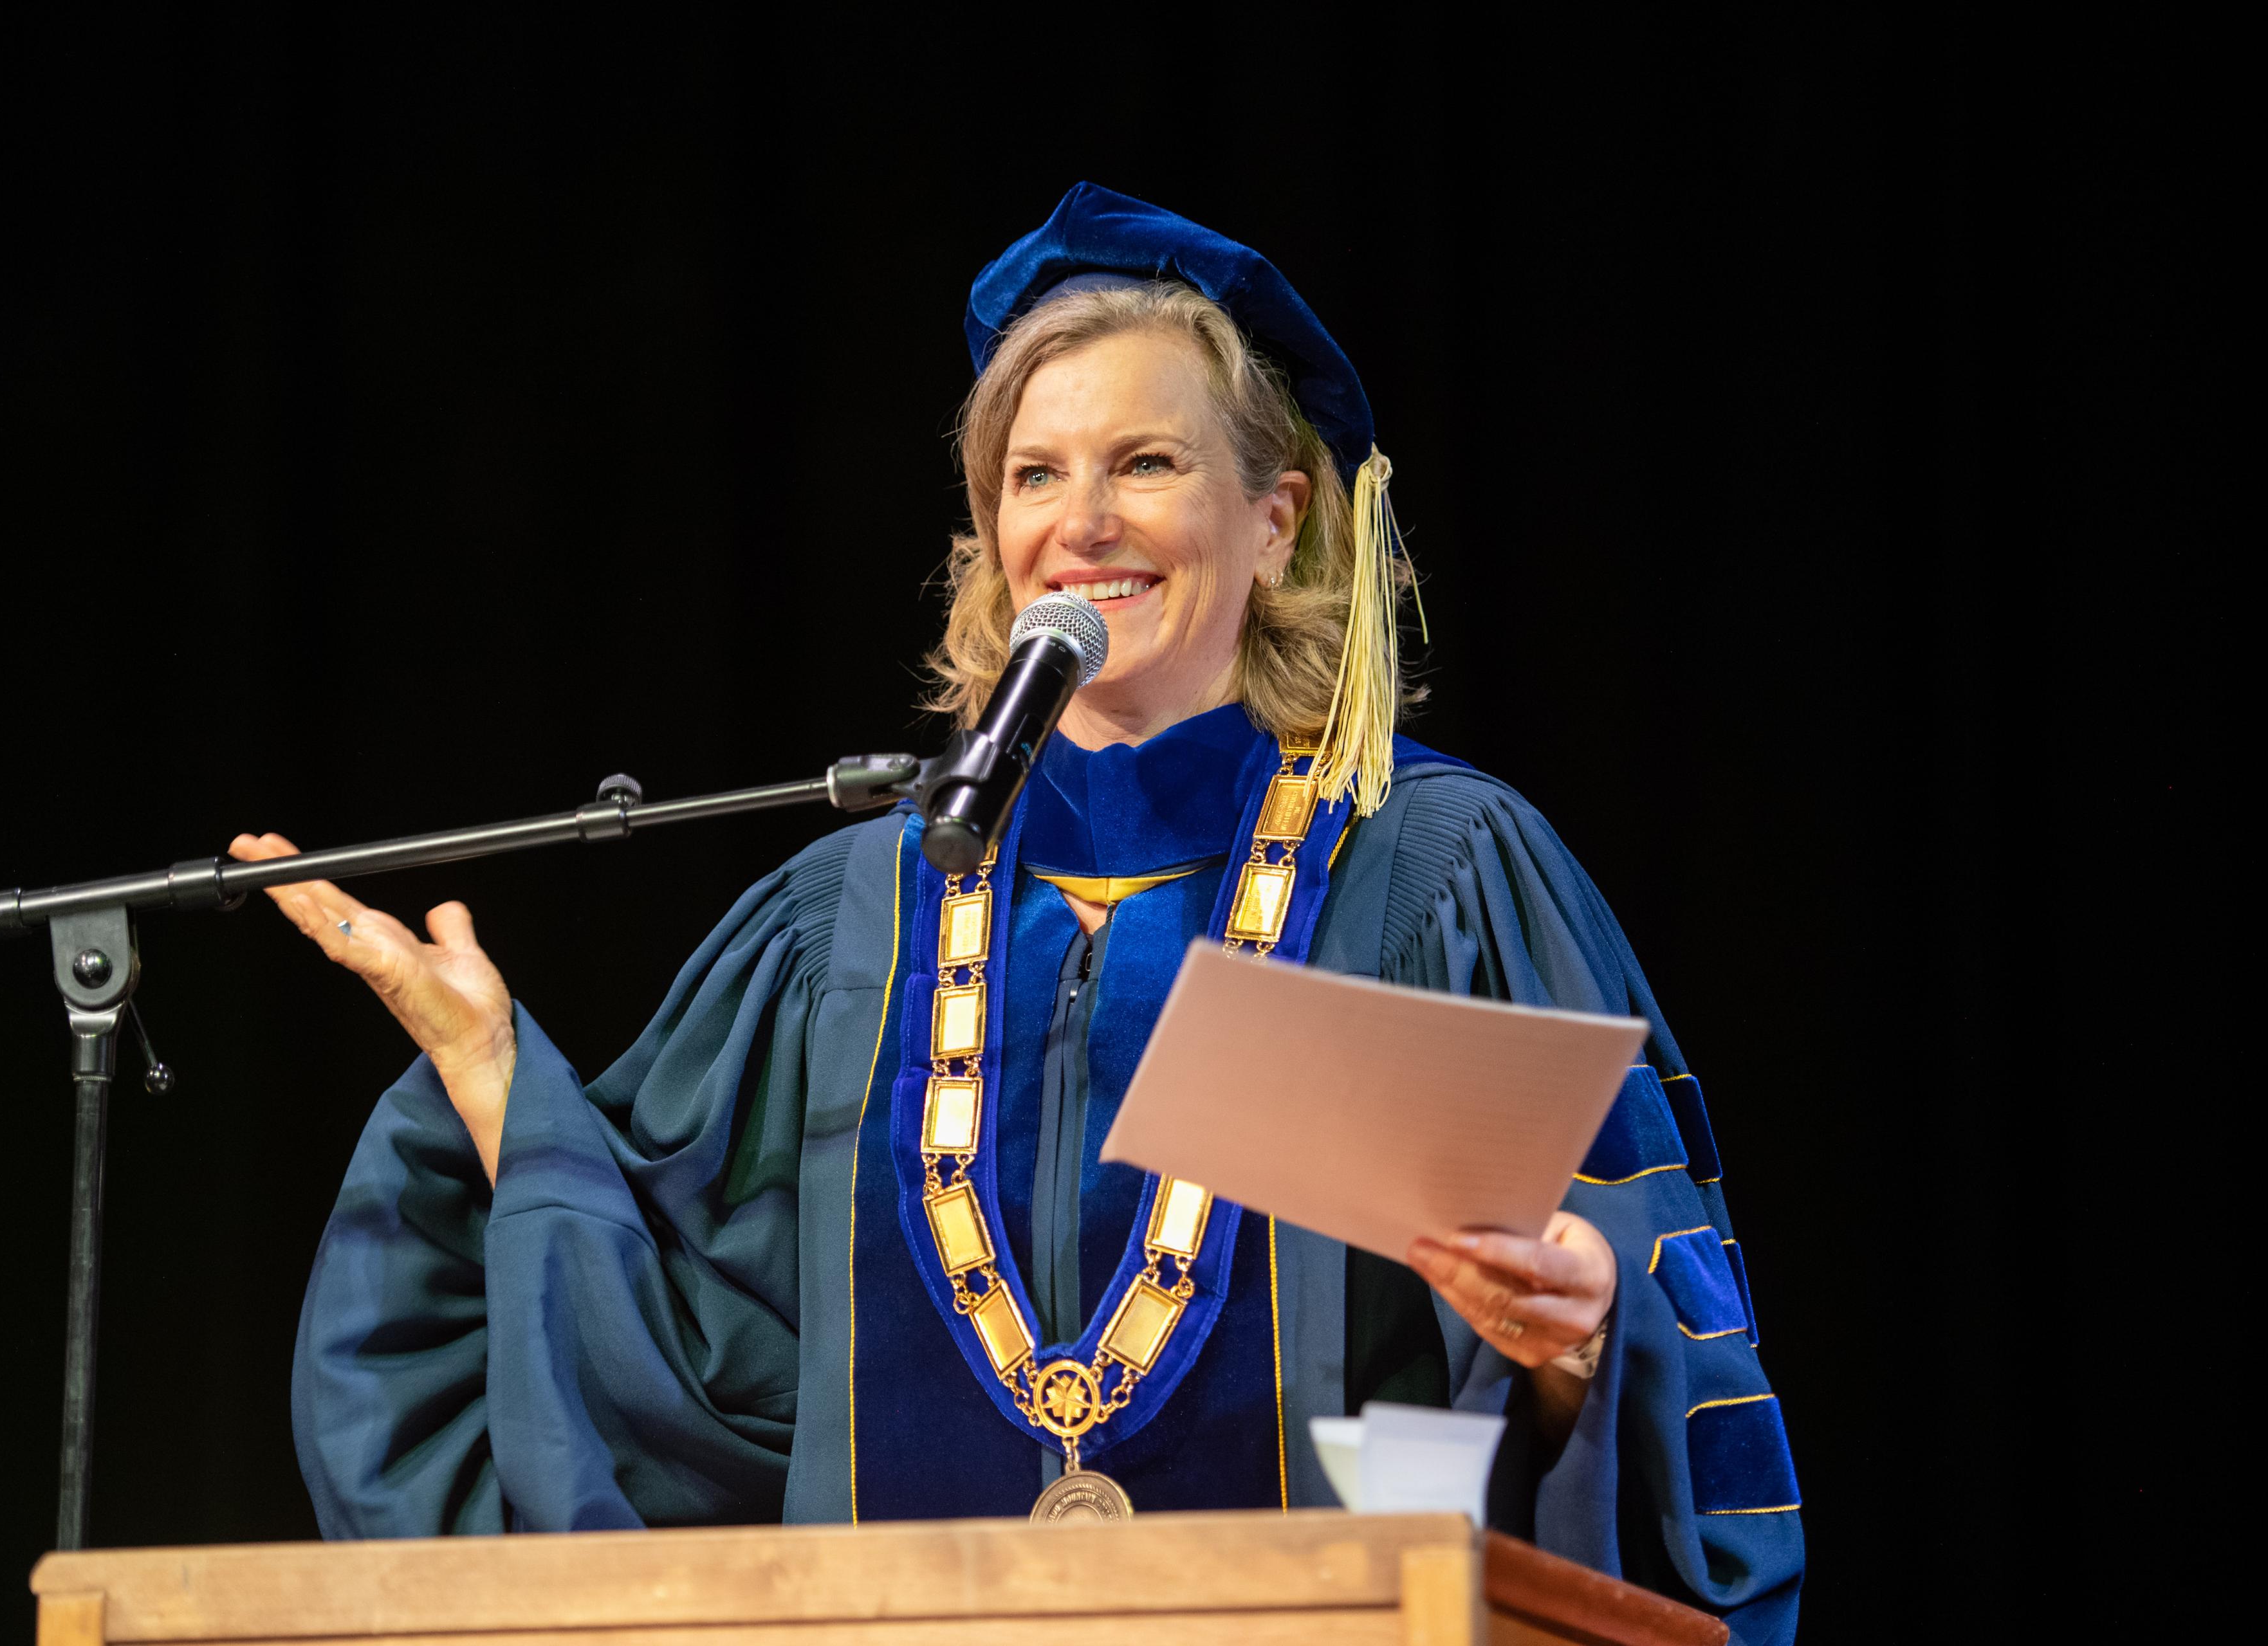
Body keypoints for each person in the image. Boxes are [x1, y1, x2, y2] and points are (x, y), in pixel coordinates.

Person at [247, 183, 1803, 1641]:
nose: (1085, 521)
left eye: (1148, 462)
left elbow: (1644, 1271)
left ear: (1275, 520)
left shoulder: (1437, 871)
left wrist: (1584, 1336)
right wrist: (497, 1084)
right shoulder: (844, 917)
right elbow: (687, 1359)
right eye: (1033, 476)